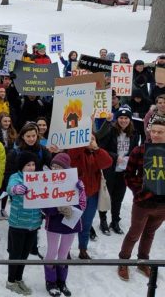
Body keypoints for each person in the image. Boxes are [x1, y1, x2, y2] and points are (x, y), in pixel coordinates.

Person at [117, 117, 165, 281]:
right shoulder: (139, 151)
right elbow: (128, 175)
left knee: (150, 233)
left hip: (162, 205)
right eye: (153, 131)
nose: (156, 135)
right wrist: (141, 189)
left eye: (160, 132)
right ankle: (123, 260)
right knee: (134, 233)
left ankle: (143, 260)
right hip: (143, 202)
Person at [42, 153, 86, 297]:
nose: (55, 169)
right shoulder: (47, 182)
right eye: (53, 166)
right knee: (52, 251)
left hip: (70, 221)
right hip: (54, 221)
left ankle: (62, 280)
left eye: (59, 167)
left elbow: (83, 203)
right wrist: (56, 209)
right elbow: (43, 206)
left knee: (64, 252)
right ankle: (50, 281)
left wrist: (72, 209)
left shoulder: (76, 182)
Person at [95, 106, 139, 235]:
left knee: (118, 198)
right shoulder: (111, 131)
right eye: (121, 117)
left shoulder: (134, 133)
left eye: (126, 118)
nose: (123, 120)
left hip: (124, 171)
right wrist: (115, 157)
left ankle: (115, 221)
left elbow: (135, 149)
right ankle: (103, 220)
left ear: (130, 120)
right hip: (110, 169)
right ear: (117, 118)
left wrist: (131, 157)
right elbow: (101, 148)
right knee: (105, 196)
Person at [67, 134, 111, 259]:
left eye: (92, 138)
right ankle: (66, 250)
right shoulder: (76, 151)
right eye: (86, 138)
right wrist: (82, 144)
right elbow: (71, 156)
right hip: (75, 195)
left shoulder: (96, 153)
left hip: (92, 195)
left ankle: (83, 249)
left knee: (86, 224)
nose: (90, 141)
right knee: (71, 223)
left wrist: (96, 149)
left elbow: (107, 162)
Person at [6, 151, 43, 296]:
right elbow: (10, 187)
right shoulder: (15, 177)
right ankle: (10, 281)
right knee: (15, 254)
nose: (31, 167)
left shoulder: (39, 178)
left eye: (33, 164)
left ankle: (19, 278)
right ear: (22, 166)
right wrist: (15, 189)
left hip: (33, 224)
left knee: (24, 254)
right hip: (18, 223)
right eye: (28, 165)